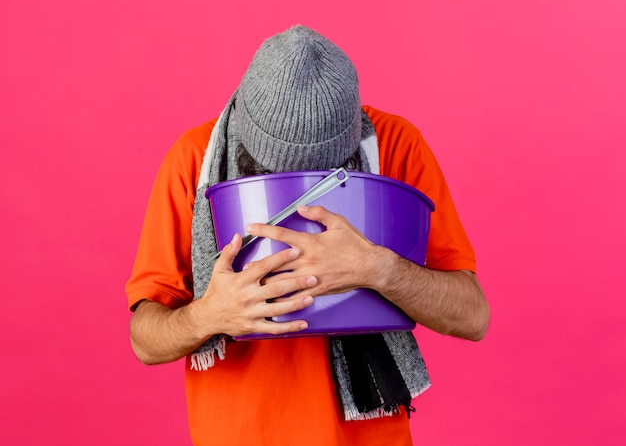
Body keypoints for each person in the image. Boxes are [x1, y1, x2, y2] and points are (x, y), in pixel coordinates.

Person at [125, 25, 489, 446]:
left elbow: (472, 316)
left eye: (321, 179)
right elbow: (144, 340)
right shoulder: (192, 162)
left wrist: (377, 268)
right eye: (275, 175)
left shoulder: (397, 148)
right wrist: (209, 314)